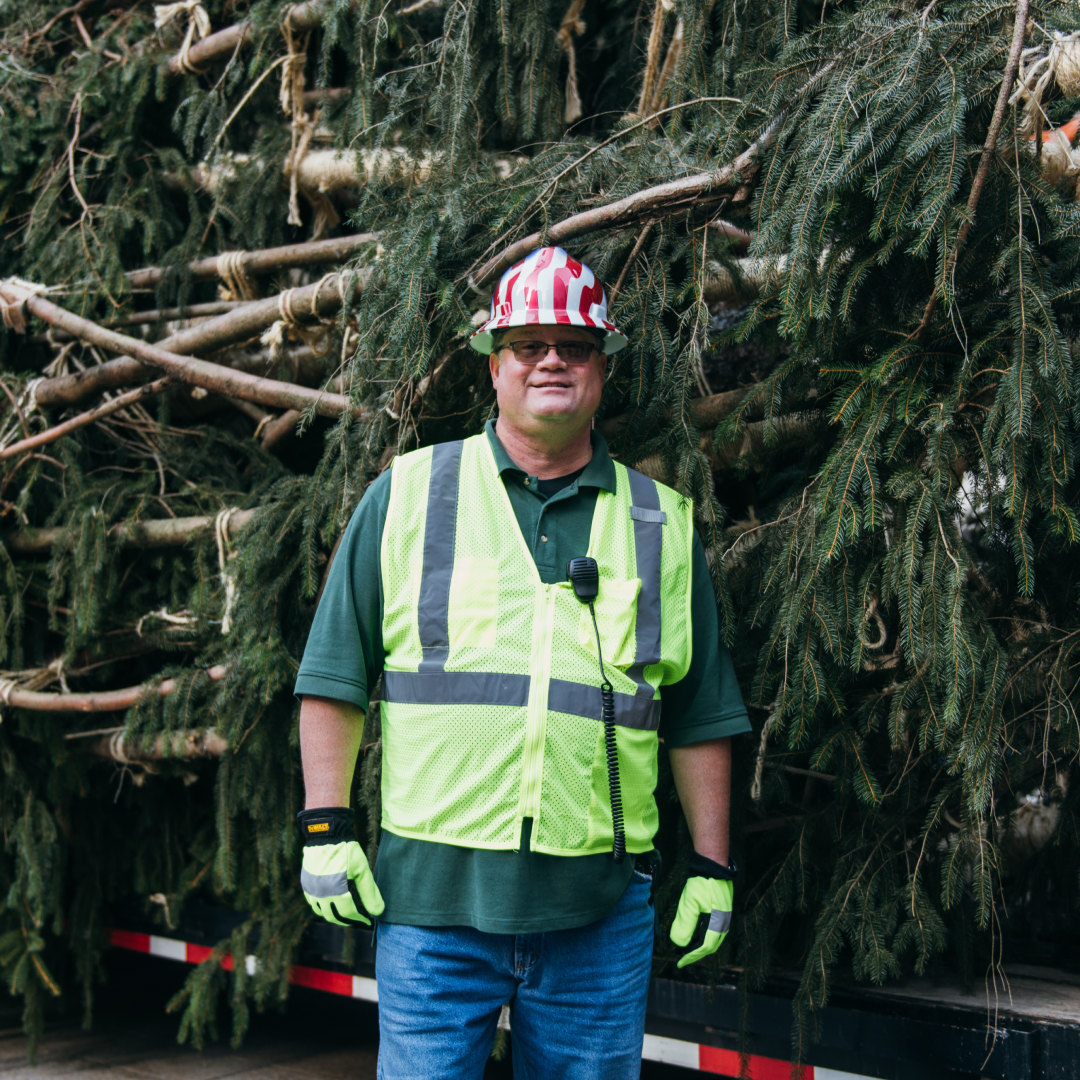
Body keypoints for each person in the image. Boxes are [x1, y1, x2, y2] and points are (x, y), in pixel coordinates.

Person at [294, 246, 751, 1079]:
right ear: (494, 364)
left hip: (598, 919)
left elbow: (699, 712)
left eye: (574, 346)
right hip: (431, 913)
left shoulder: (660, 524)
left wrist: (713, 864)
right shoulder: (408, 494)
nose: (551, 360)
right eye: (528, 344)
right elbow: (333, 676)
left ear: (602, 367)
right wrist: (325, 828)